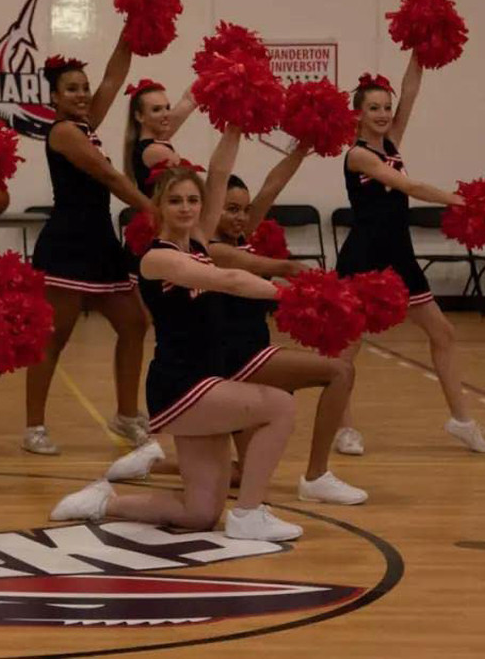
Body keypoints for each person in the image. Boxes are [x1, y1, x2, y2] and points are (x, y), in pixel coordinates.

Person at [51, 128, 304, 542]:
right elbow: (229, 280)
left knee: (200, 512)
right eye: (175, 201)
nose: (185, 208)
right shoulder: (157, 258)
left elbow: (219, 172)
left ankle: (104, 501)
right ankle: (249, 514)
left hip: (208, 380)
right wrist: (291, 296)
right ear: (158, 209)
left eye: (192, 200)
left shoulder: (199, 243)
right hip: (183, 384)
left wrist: (232, 124)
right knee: (279, 407)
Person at [108, 147, 369, 505]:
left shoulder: (207, 243)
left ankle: (155, 462)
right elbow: (234, 276)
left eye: (193, 200)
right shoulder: (207, 249)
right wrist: (299, 290)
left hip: (224, 361)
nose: (240, 216)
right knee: (330, 377)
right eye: (230, 209)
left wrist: (287, 142)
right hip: (233, 359)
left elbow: (259, 184)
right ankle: (315, 477)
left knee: (230, 485)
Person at [336, 62, 485, 453]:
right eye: (374, 108)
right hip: (363, 257)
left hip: (400, 255)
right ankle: (344, 429)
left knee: (443, 333)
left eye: (386, 107)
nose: (385, 113)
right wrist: (458, 200)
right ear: (358, 114)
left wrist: (419, 49)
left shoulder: (390, 143)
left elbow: (411, 92)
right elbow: (409, 185)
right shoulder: (358, 155)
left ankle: (461, 421)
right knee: (347, 348)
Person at [24, 44, 155, 455]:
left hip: (99, 240)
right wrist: (153, 209)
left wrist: (130, 30)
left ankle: (126, 414)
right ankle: (34, 428)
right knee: (53, 337)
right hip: (68, 243)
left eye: (84, 87)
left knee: (134, 323)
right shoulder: (63, 131)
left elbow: (113, 80)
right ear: (54, 98)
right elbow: (109, 176)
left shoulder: (85, 124)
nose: (82, 94)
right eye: (71, 89)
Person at [122, 79, 197, 198]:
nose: (166, 114)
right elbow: (190, 190)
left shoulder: (147, 144)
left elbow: (188, 101)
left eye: (167, 107)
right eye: (156, 109)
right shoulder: (156, 151)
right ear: (139, 116)